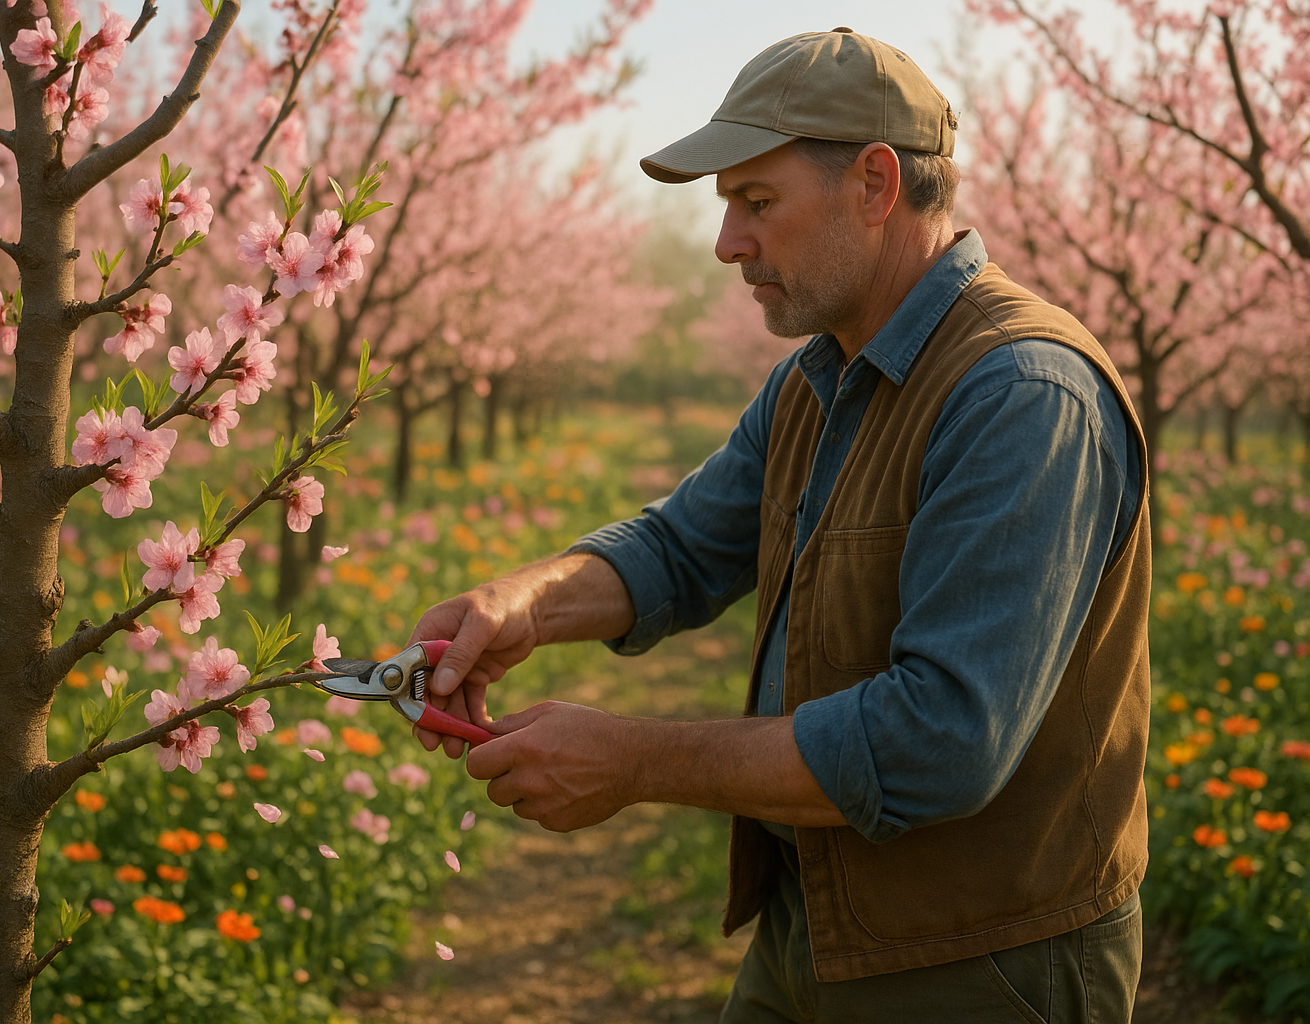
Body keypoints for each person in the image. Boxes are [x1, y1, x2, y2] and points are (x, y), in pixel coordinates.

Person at [410, 28, 1151, 1024]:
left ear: (875, 183)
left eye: (756, 202)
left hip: (984, 959)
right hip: (817, 924)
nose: (727, 244)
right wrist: (525, 607)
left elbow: (939, 740)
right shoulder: (819, 378)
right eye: (726, 209)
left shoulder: (1021, 394)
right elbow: (681, 546)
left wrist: (635, 759)